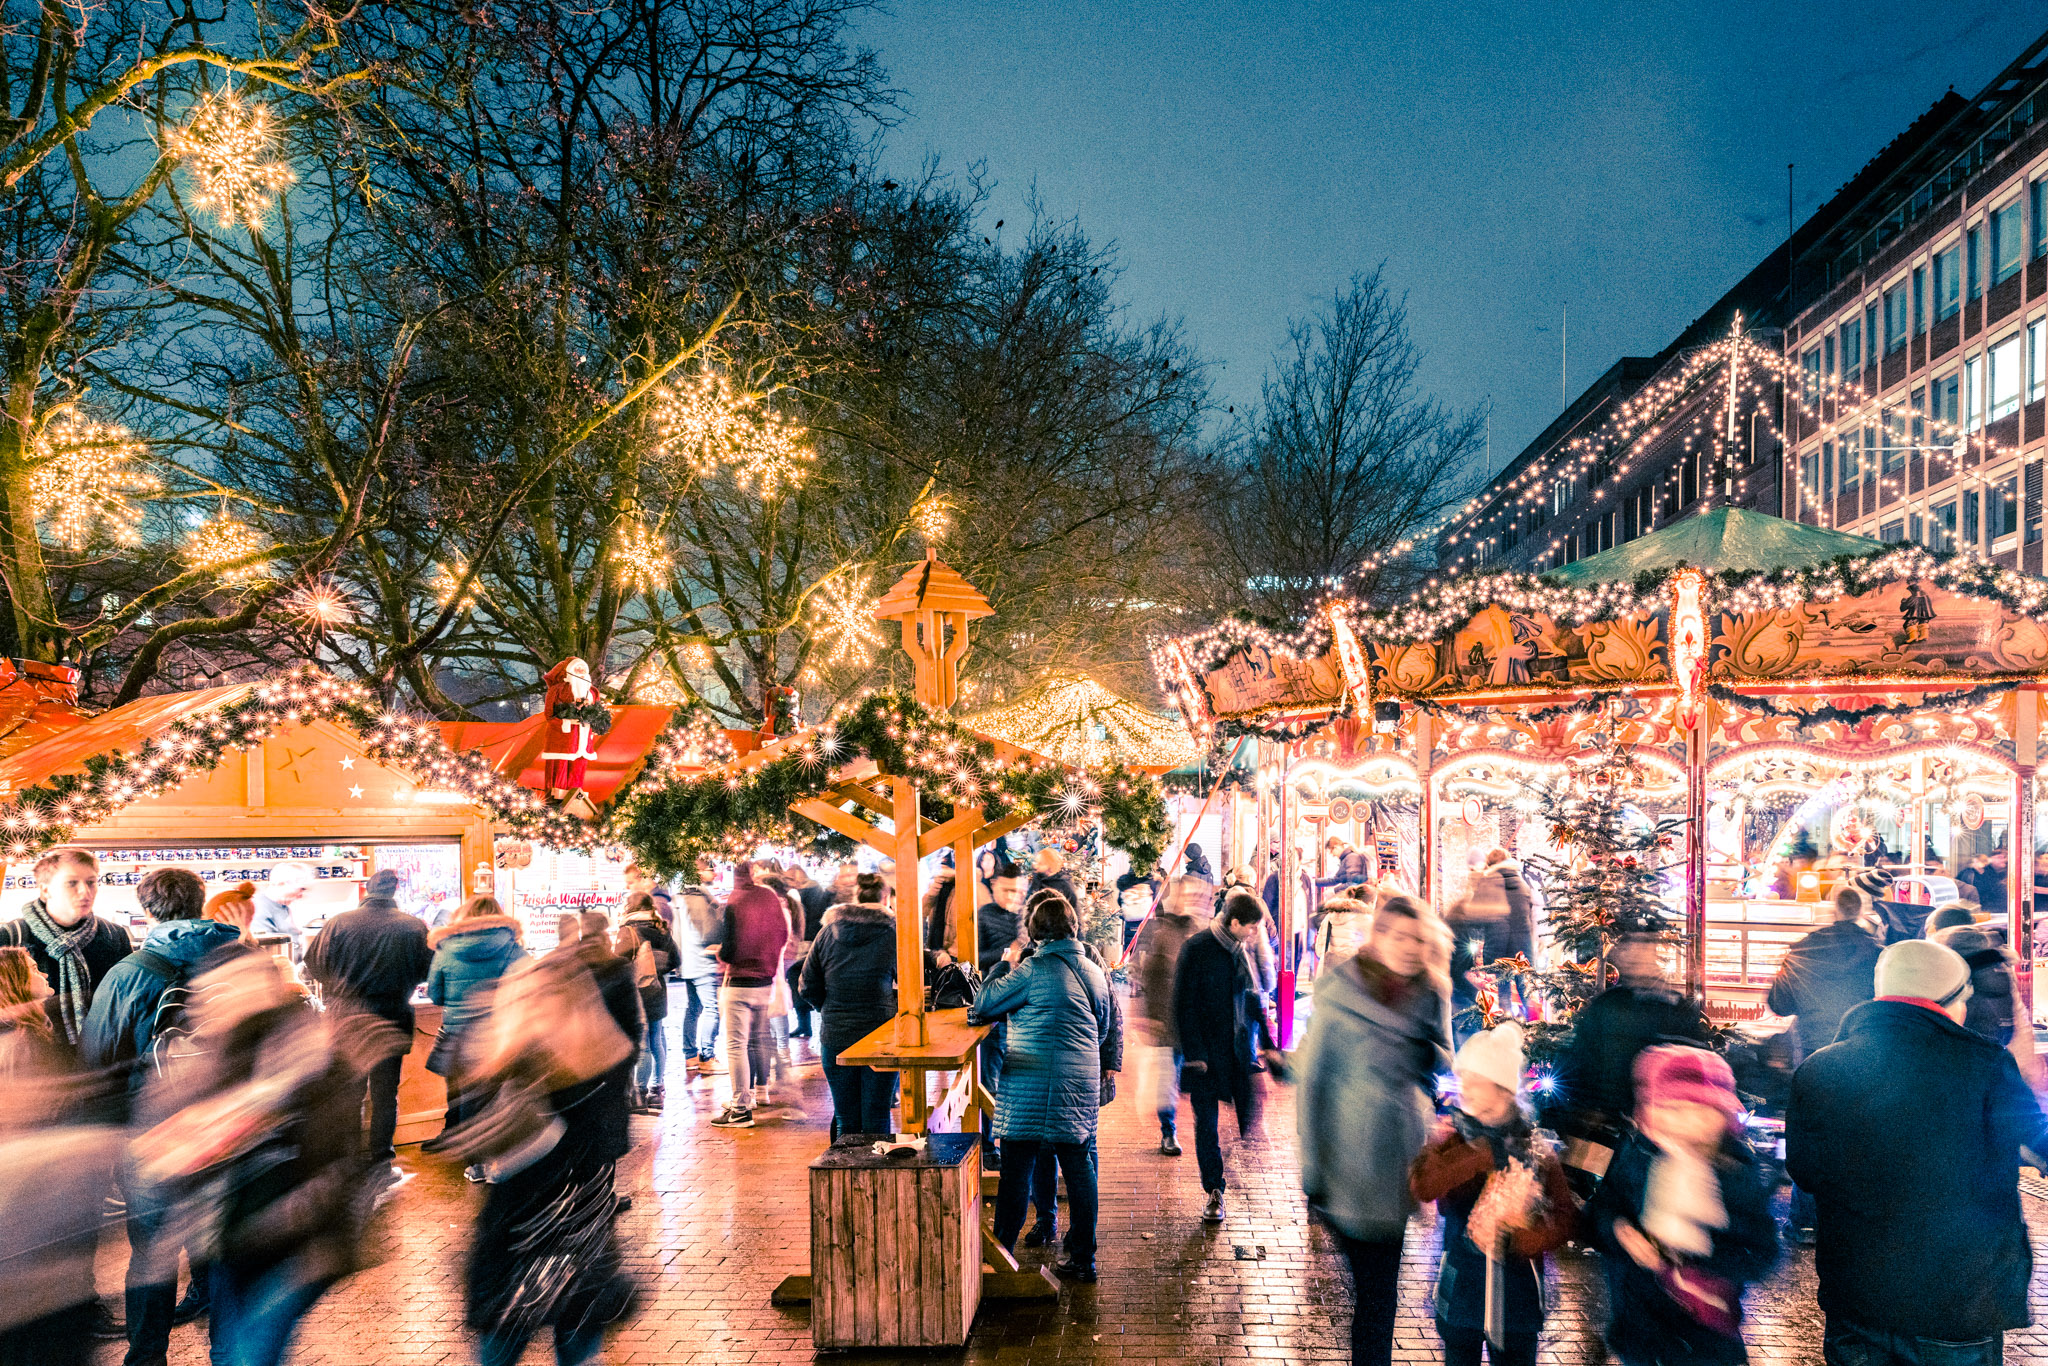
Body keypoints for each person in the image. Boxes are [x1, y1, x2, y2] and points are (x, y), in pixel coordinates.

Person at [1787, 938, 2048, 1366]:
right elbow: (2037, 1142)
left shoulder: (1820, 1067)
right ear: (1950, 1002)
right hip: (1958, 1301)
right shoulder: (1985, 1065)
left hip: (1857, 1298)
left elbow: (1805, 1171)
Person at [136, 951, 403, 1366]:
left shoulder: (308, 1050)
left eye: (228, 988)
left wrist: (236, 1123)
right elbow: (167, 1143)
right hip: (231, 1238)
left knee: (247, 1354)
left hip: (293, 1245)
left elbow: (328, 1151)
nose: (213, 1001)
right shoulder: (217, 1053)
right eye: (208, 992)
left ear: (262, 989)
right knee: (232, 1349)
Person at [78, 866, 243, 1366]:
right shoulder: (243, 963)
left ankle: (146, 1357)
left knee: (151, 1254)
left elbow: (97, 1064)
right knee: (221, 1251)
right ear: (202, 901)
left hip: (152, 1139)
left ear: (147, 909)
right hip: (230, 1133)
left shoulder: (127, 974)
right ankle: (229, 1353)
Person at [465, 938, 639, 1365]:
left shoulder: (584, 1068)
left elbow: (608, 1144)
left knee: (531, 1350)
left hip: (550, 1235)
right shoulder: (516, 1066)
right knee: (525, 1350)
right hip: (547, 1236)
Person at [1296, 894, 1451, 1366]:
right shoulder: (1340, 994)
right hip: (1347, 1160)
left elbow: (1443, 1064)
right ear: (1378, 936)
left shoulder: (1429, 994)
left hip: (1397, 1166)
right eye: (1398, 936)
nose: (1408, 947)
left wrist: (1435, 1067)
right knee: (1375, 1292)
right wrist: (1313, 1171)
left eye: (1417, 939)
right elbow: (1313, 1083)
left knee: (1379, 1295)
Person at [1591, 1046, 1778, 1366]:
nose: (1686, 1122)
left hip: (1706, 1337)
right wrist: (1620, 1231)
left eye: (1701, 1110)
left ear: (1722, 1117)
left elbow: (1762, 1253)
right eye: (1673, 1108)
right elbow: (1601, 1210)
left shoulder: (1736, 1174)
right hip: (1640, 1330)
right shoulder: (1637, 1159)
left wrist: (1697, 1254)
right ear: (1652, 1112)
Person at [969, 890, 1119, 1282]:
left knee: (1017, 1170)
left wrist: (1001, 965)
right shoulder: (1093, 971)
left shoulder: (1031, 970)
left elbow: (984, 1004)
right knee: (1080, 1167)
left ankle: (1000, 1252)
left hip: (1030, 1085)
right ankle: (1084, 1259)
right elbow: (1102, 1029)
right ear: (1073, 927)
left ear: (1036, 933)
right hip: (1079, 1084)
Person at [1409, 1021, 1577, 1366]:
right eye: (1463, 1076)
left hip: (1518, 1299)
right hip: (1462, 1293)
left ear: (1503, 1090)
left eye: (1475, 1079)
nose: (1463, 1086)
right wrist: (1477, 1155)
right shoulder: (1453, 1135)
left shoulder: (1536, 1149)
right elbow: (1424, 1187)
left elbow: (1566, 1217)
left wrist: (1531, 1238)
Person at [0, 944, 106, 1366]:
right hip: (31, 1213)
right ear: (15, 983)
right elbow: (30, 1117)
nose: (43, 974)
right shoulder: (23, 1042)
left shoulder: (26, 1035)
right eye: (32, 969)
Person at [301, 868, 433, 1175]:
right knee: (386, 1094)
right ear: (394, 891)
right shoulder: (413, 926)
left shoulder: (337, 923)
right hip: (391, 1014)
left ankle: (348, 1159)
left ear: (367, 891)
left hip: (345, 1018)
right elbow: (426, 971)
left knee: (350, 1092)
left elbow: (313, 965)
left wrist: (340, 988)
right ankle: (381, 1161)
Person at [1174, 892, 1279, 1223]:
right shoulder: (1198, 948)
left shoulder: (1240, 950)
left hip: (1236, 1050)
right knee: (1207, 1124)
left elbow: (1253, 998)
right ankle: (1214, 1190)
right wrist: (1194, 1053)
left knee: (1248, 1111)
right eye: (1250, 928)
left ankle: (1229, 1155)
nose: (1253, 934)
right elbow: (1182, 1004)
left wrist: (1267, 1041)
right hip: (1204, 1056)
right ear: (1234, 922)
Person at [1557, 934, 1708, 1133]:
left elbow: (1692, 1069)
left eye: (1643, 948)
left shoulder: (1676, 1007)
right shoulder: (1610, 1004)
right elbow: (1582, 1058)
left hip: (1656, 1123)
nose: (1636, 956)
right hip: (1613, 1121)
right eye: (1632, 950)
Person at [0, 846, 131, 1047]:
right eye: (71, 883)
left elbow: (124, 1001)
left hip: (100, 1053)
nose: (84, 891)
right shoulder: (12, 935)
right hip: (33, 1055)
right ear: (45, 889)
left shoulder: (114, 935)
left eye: (91, 883)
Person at [798, 891, 900, 1137]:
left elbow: (807, 985)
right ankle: (877, 1173)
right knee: (877, 1113)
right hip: (881, 1034)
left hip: (836, 1033)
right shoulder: (892, 935)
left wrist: (828, 1008)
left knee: (845, 1115)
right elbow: (910, 981)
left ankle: (847, 1172)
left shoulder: (826, 934)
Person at [425, 895, 524, 1143]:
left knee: (458, 1090)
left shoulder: (445, 948)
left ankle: (456, 1141)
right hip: (495, 1036)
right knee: (486, 1097)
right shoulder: (513, 948)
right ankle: (476, 1154)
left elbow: (435, 995)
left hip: (455, 1034)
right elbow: (527, 989)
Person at [1128, 875, 1208, 1156]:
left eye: (1198, 897)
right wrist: (1150, 1018)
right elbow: (1151, 978)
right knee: (1167, 1081)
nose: (1192, 902)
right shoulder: (1164, 933)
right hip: (1171, 1024)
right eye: (1187, 896)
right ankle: (1168, 1131)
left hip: (1199, 1026)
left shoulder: (1204, 933)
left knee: (1199, 1081)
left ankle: (1203, 1133)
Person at [710, 860, 790, 1128]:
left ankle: (741, 1107)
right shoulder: (768, 897)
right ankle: (757, 1092)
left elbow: (730, 947)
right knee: (759, 1040)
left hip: (739, 982)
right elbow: (782, 935)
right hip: (765, 980)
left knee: (736, 1045)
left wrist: (721, 954)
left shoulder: (735, 900)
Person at [1766, 884, 1881, 1063]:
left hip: (1814, 1047)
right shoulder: (1878, 953)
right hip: (1862, 1045)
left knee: (1814, 1089)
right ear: (1860, 913)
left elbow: (1780, 1004)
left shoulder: (1802, 949)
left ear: (1834, 912)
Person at [616, 894, 677, 1110]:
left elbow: (619, 962)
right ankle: (656, 1090)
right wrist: (655, 972)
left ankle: (639, 1094)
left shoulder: (629, 930)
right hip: (657, 991)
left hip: (637, 993)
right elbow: (676, 960)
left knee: (642, 1045)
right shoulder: (661, 928)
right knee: (657, 1039)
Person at [674, 885, 722, 1074]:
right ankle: (707, 1057)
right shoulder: (701, 900)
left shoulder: (677, 901)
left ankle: (690, 1056)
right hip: (703, 962)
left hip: (686, 963)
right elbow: (710, 934)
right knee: (712, 1009)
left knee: (693, 1009)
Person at [783, 862, 829, 1039]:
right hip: (805, 940)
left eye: (789, 878)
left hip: (808, 941)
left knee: (801, 979)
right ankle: (804, 1024)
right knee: (798, 981)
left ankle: (806, 1023)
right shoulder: (809, 891)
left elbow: (812, 918)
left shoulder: (812, 891)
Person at [247, 862, 314, 957]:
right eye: (301, 889)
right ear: (283, 883)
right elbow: (266, 950)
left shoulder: (283, 907)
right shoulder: (258, 908)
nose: (301, 895)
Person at [977, 863, 1027, 973]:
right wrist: (1009, 950)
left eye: (1013, 891)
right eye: (1005, 890)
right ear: (994, 886)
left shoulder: (1028, 914)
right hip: (994, 981)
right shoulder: (984, 913)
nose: (1009, 896)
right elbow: (977, 959)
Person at [1312, 894, 1376, 979]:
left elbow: (1319, 948)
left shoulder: (1328, 917)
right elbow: (1371, 947)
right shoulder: (1364, 918)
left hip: (1328, 968)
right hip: (1352, 968)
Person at [1026, 847, 1081, 922]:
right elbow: (1028, 903)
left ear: (1049, 865)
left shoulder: (1063, 885)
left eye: (1040, 863)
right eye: (1036, 862)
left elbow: (1074, 912)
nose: (1036, 866)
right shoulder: (1037, 880)